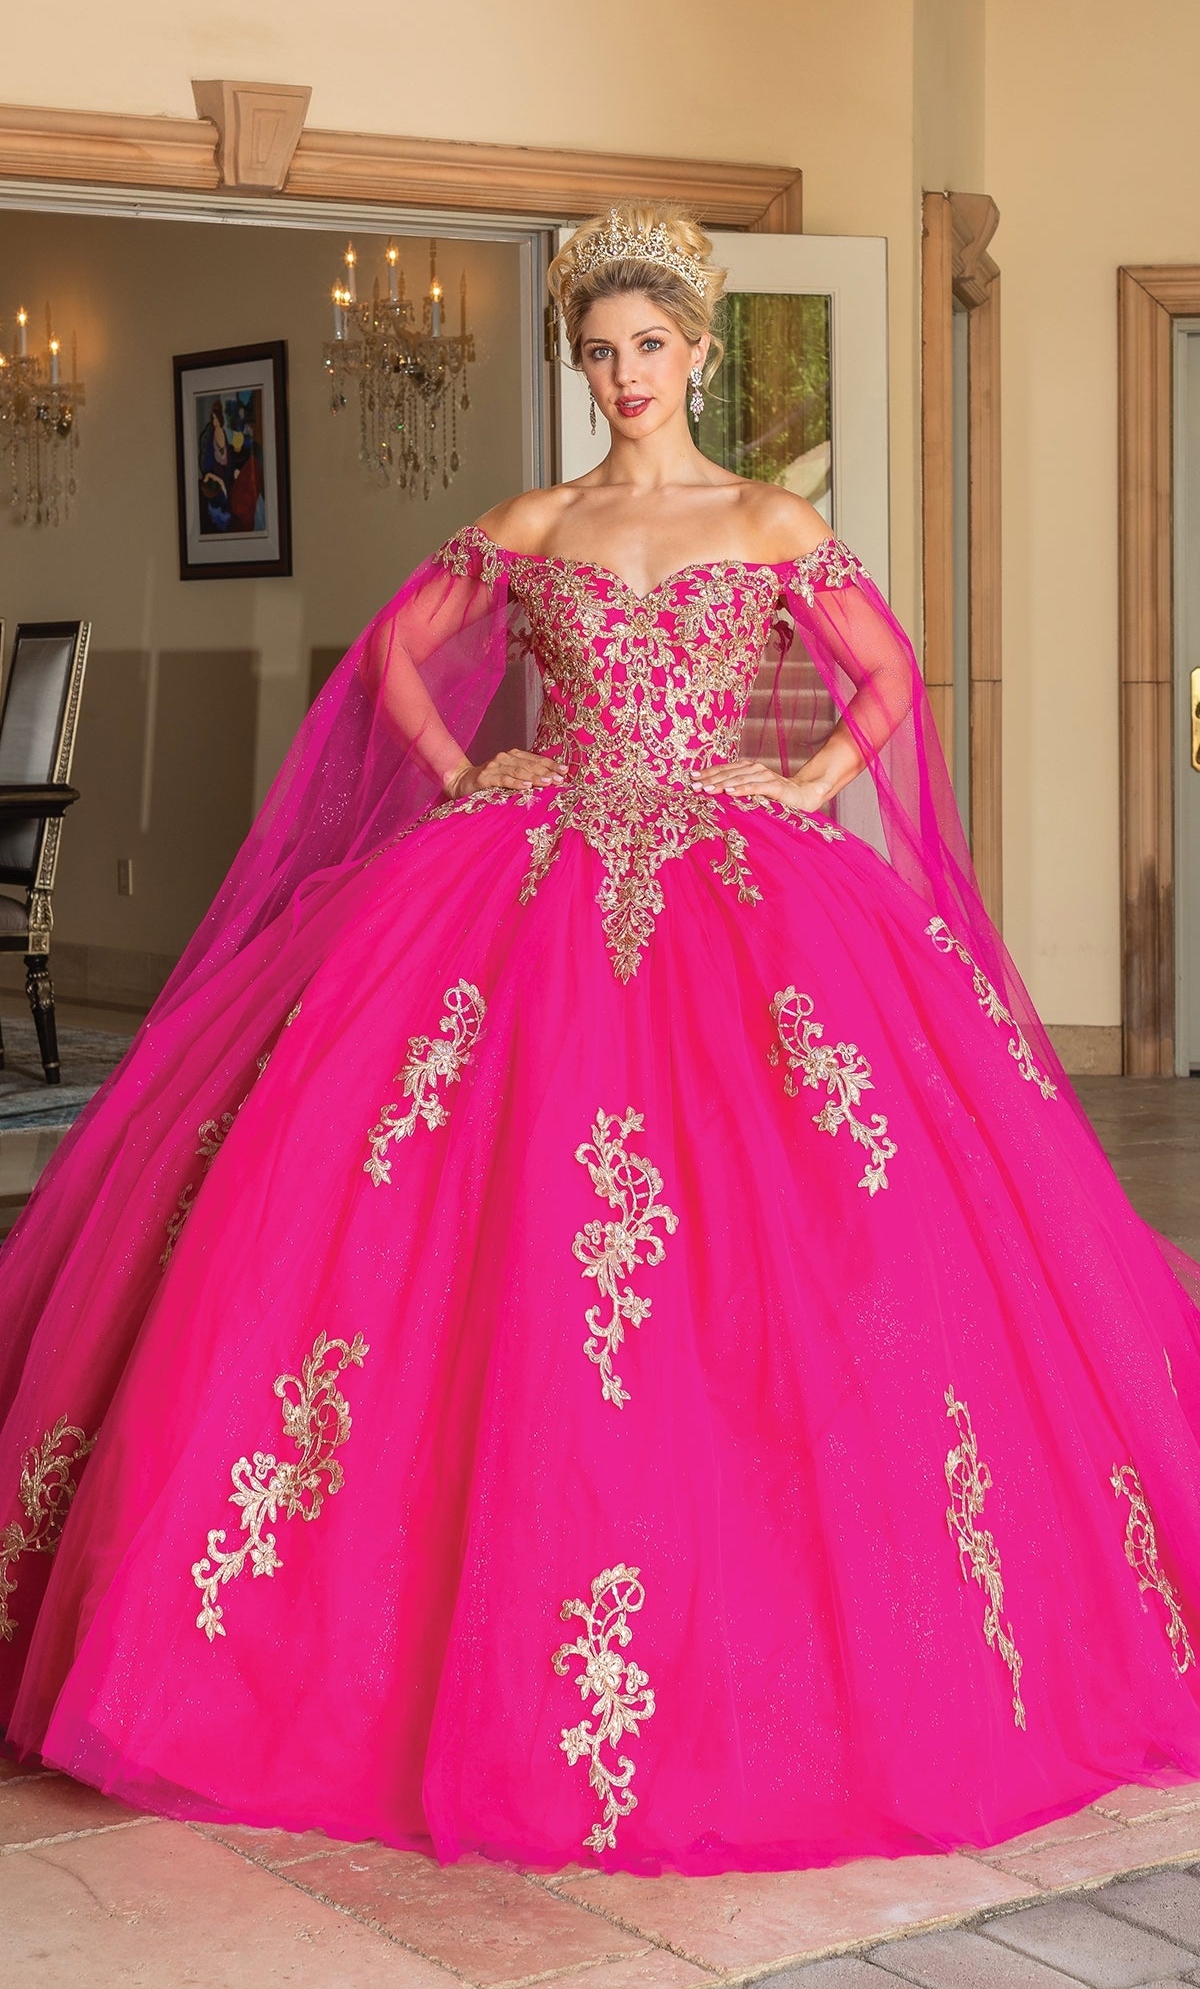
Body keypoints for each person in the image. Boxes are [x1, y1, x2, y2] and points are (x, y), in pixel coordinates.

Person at [3, 202, 1200, 1879]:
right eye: (598, 352)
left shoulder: (772, 517)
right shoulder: (531, 520)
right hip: (528, 874)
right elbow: (392, 666)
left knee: (801, 1232)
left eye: (649, 348)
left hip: (734, 884)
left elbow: (888, 681)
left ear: (700, 354)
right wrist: (474, 764)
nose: (625, 375)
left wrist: (802, 782)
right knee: (437, 1222)